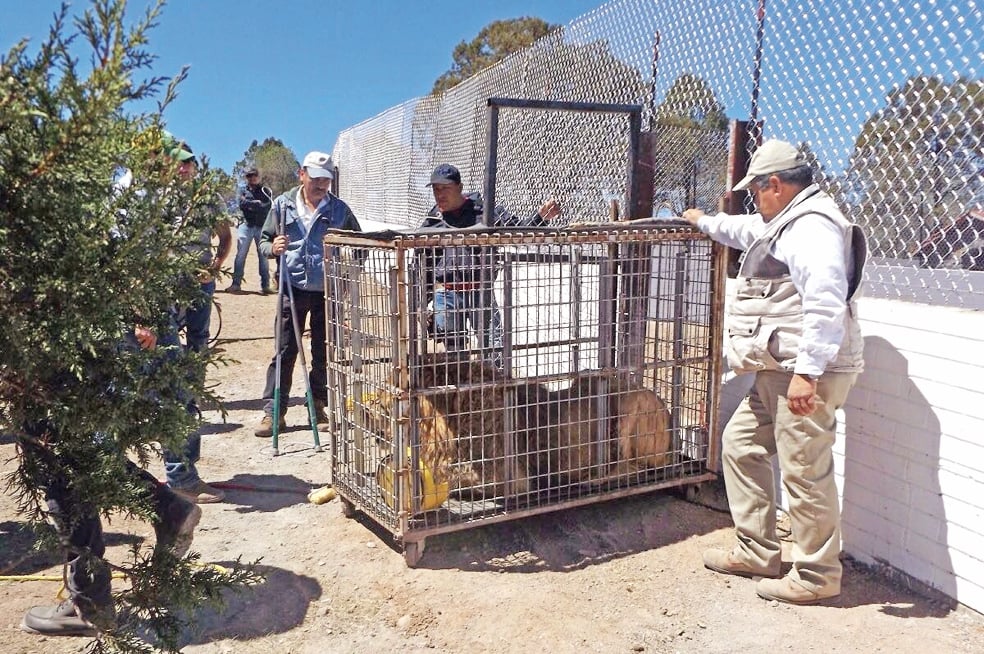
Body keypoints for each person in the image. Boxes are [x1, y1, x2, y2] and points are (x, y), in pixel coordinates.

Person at [681, 139, 866, 605]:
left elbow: (825, 297)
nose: (755, 202)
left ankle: (816, 574)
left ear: (776, 186)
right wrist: (702, 221)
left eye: (756, 192)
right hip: (777, 371)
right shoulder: (785, 222)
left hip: (803, 375)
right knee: (740, 445)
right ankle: (757, 550)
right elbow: (745, 230)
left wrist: (808, 372)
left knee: (804, 471)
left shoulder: (812, 228)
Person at [254, 151, 363, 437]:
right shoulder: (281, 206)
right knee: (285, 349)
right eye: (315, 178)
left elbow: (360, 243)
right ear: (302, 174)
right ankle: (273, 412)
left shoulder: (339, 210)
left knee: (323, 350)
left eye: (325, 180)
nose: (320, 185)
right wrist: (272, 248)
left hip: (327, 290)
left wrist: (349, 270)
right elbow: (264, 242)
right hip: (292, 288)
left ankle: (318, 405)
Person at [419, 163, 560, 366]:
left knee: (494, 350)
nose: (439, 194)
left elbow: (518, 231)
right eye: (435, 189)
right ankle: (460, 395)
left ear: (459, 187)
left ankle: (495, 392)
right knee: (452, 356)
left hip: (480, 291)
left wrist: (541, 218)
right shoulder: (434, 220)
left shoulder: (485, 212)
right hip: (446, 294)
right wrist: (420, 304)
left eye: (445, 188)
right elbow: (422, 264)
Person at [157, 138, 229, 503]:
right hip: (164, 295)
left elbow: (225, 235)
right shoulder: (156, 200)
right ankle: (179, 475)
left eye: (189, 162)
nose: (185, 168)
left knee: (192, 375)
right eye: (179, 163)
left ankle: (184, 469)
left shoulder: (205, 197)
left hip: (199, 288)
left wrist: (214, 267)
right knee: (174, 384)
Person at [227, 167, 273, 294]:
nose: (252, 178)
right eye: (249, 176)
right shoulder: (242, 190)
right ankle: (236, 284)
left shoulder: (265, 190)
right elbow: (241, 204)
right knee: (241, 255)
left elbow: (267, 206)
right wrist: (257, 204)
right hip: (246, 226)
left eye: (254, 175)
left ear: (259, 176)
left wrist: (252, 204)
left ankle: (265, 286)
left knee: (263, 256)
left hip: (261, 226)